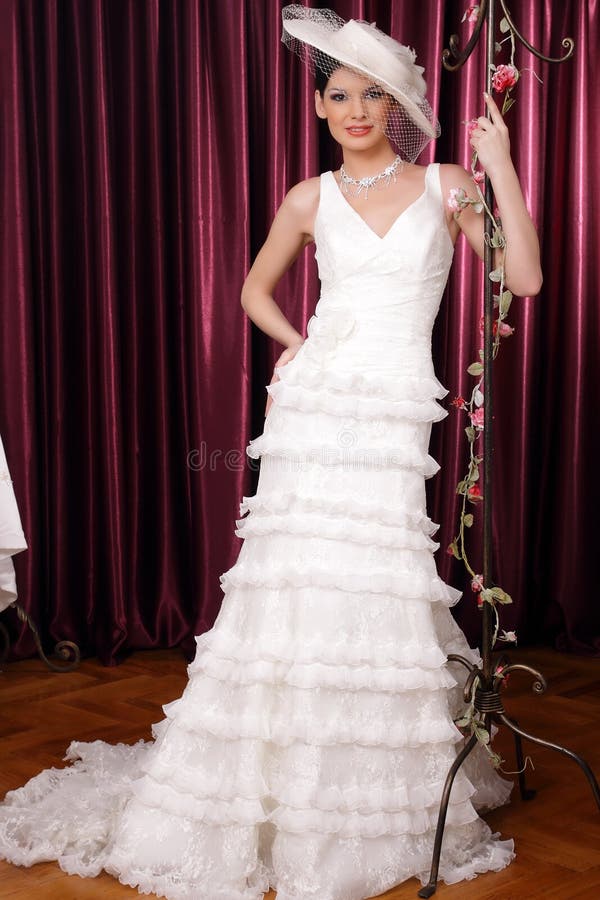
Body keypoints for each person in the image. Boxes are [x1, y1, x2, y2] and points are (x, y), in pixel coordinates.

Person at [0, 6, 542, 899]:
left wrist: (503, 168)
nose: (356, 108)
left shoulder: (448, 183)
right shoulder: (307, 197)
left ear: (398, 102)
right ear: (322, 108)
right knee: (296, 580)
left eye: (373, 93)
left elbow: (521, 278)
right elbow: (255, 289)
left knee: (373, 580)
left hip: (395, 409)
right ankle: (269, 778)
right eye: (340, 94)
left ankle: (363, 785)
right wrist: (295, 342)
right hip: (313, 407)